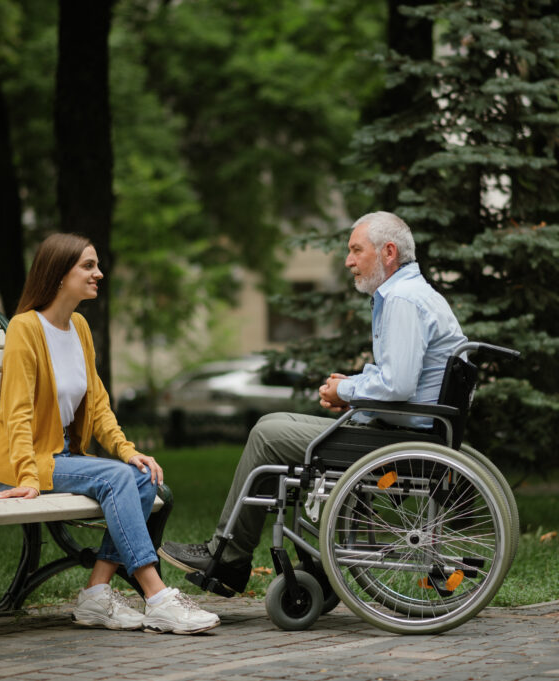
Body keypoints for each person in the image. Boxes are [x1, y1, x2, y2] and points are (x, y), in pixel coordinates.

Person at [158, 211, 467, 594]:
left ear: (389, 252)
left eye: (356, 250)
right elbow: (405, 381)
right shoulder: (415, 295)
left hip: (396, 441)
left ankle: (230, 557)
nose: (348, 261)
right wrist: (352, 387)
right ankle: (260, 559)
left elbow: (399, 385)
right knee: (275, 423)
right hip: (405, 431)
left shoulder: (402, 299)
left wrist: (347, 392)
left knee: (267, 434)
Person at [0, 233, 220, 634]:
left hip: (59, 461)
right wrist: (25, 477)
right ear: (59, 274)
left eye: (96, 265)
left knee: (142, 477)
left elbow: (97, 406)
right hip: (18, 469)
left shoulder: (79, 327)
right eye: (88, 266)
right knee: (114, 479)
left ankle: (96, 592)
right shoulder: (25, 329)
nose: (100, 273)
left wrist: (129, 452)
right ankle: (158, 596)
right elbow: (16, 413)